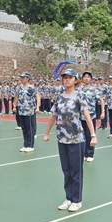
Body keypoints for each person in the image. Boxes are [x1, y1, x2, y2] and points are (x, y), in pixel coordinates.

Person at [43, 69, 96, 212]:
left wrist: (93, 135)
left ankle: (77, 200)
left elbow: (87, 115)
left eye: (70, 77)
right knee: (66, 170)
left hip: (76, 139)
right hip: (62, 138)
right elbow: (53, 116)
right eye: (65, 77)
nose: (67, 80)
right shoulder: (59, 97)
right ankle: (69, 198)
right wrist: (47, 133)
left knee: (76, 170)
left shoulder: (79, 96)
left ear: (75, 80)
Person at [79, 71, 105, 162]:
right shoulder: (80, 89)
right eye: (85, 77)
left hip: (91, 116)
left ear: (91, 79)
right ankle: (84, 153)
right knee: (82, 136)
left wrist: (102, 112)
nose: (86, 78)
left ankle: (90, 154)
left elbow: (101, 100)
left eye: (88, 77)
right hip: (81, 116)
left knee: (90, 135)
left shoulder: (94, 89)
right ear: (82, 79)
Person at [14, 72, 38, 152]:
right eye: (21, 77)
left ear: (28, 78)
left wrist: (37, 107)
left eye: (23, 77)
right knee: (24, 128)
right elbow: (17, 97)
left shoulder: (31, 88)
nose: (22, 79)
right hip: (21, 110)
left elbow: (37, 96)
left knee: (29, 128)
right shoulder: (20, 88)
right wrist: (14, 106)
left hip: (29, 111)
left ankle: (30, 145)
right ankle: (25, 144)